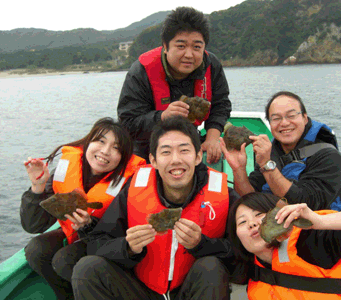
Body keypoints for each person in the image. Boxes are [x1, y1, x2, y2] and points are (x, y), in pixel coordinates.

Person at [71, 116, 240, 300]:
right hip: (142, 289)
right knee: (86, 269)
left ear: (198, 156)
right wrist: (127, 248)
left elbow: (242, 255)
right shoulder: (134, 190)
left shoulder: (224, 195)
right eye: (166, 152)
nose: (176, 160)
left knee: (212, 267)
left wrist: (202, 245)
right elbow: (98, 242)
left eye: (184, 150)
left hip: (189, 290)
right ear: (153, 160)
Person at [21, 117, 146, 300]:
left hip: (108, 244)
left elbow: (123, 232)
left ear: (123, 157)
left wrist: (89, 225)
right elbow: (32, 226)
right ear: (88, 142)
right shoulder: (66, 168)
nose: (105, 151)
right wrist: (37, 188)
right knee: (36, 249)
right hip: (73, 234)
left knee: (64, 260)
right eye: (100, 141)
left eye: (116, 148)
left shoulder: (129, 181)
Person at [227, 192, 341, 299]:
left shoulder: (312, 243)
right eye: (242, 222)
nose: (252, 224)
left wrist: (321, 222)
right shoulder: (250, 270)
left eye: (259, 214)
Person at [117, 6, 231, 165]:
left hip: (189, 138)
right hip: (146, 144)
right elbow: (128, 122)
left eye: (197, 47)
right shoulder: (141, 71)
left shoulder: (211, 65)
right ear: (165, 46)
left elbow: (221, 104)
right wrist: (162, 117)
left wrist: (212, 138)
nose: (189, 55)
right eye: (181, 46)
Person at [220, 90, 341, 211]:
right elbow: (250, 199)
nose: (284, 123)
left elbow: (307, 205)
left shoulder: (329, 156)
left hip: (321, 230)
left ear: (305, 118)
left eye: (291, 115)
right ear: (270, 123)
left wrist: (267, 165)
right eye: (276, 118)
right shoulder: (270, 151)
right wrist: (238, 170)